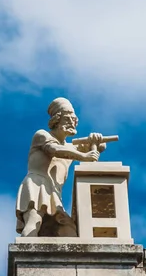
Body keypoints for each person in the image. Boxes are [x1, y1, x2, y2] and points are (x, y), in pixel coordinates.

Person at [16, 97, 106, 237]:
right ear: (56, 120)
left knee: (68, 231)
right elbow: (55, 150)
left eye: (74, 119)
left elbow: (98, 147)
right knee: (34, 222)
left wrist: (97, 140)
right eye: (67, 118)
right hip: (37, 185)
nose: (72, 122)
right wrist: (83, 156)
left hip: (54, 193)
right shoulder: (42, 136)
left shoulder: (70, 147)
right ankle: (23, 255)